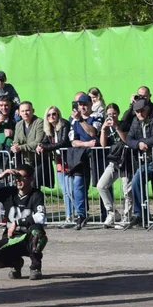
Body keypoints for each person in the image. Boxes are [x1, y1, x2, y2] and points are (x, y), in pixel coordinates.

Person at [0, 164, 47, 280]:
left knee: (38, 232)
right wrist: (1, 176)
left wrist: (17, 222)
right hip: (12, 237)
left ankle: (35, 268)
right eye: (16, 177)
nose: (18, 180)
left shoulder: (37, 194)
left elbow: (41, 217)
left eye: (22, 177)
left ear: (31, 179)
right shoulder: (9, 192)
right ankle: (16, 263)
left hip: (28, 238)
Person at [125, 98, 153, 228]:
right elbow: (128, 138)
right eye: (137, 112)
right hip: (145, 161)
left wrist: (143, 142)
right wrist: (138, 144)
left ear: (147, 109)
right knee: (136, 182)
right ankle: (140, 214)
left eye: (141, 111)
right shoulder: (135, 121)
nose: (139, 114)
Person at [66, 92, 100, 229]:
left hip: (96, 156)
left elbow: (93, 132)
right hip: (80, 156)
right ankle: (81, 215)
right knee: (78, 185)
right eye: (80, 104)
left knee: (101, 185)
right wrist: (86, 144)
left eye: (85, 104)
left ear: (91, 104)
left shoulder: (96, 116)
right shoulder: (73, 120)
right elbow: (73, 142)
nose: (82, 107)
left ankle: (105, 213)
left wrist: (82, 120)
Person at [96, 103, 127, 227]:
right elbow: (103, 144)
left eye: (114, 114)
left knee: (126, 191)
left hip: (126, 161)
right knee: (101, 186)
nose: (112, 116)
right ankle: (112, 212)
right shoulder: (107, 127)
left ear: (118, 114)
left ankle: (127, 217)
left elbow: (126, 140)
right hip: (113, 161)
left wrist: (116, 127)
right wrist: (103, 129)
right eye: (109, 114)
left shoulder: (124, 124)